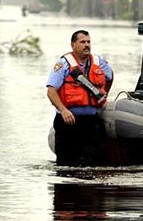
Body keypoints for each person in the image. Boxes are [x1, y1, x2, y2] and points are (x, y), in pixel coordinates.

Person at [46, 30, 114, 166]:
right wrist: (63, 110)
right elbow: (51, 91)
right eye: (82, 42)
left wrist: (103, 95)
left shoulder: (98, 61)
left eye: (88, 42)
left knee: (89, 164)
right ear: (73, 45)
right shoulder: (63, 64)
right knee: (65, 165)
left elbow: (110, 76)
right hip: (68, 122)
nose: (87, 45)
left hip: (90, 121)